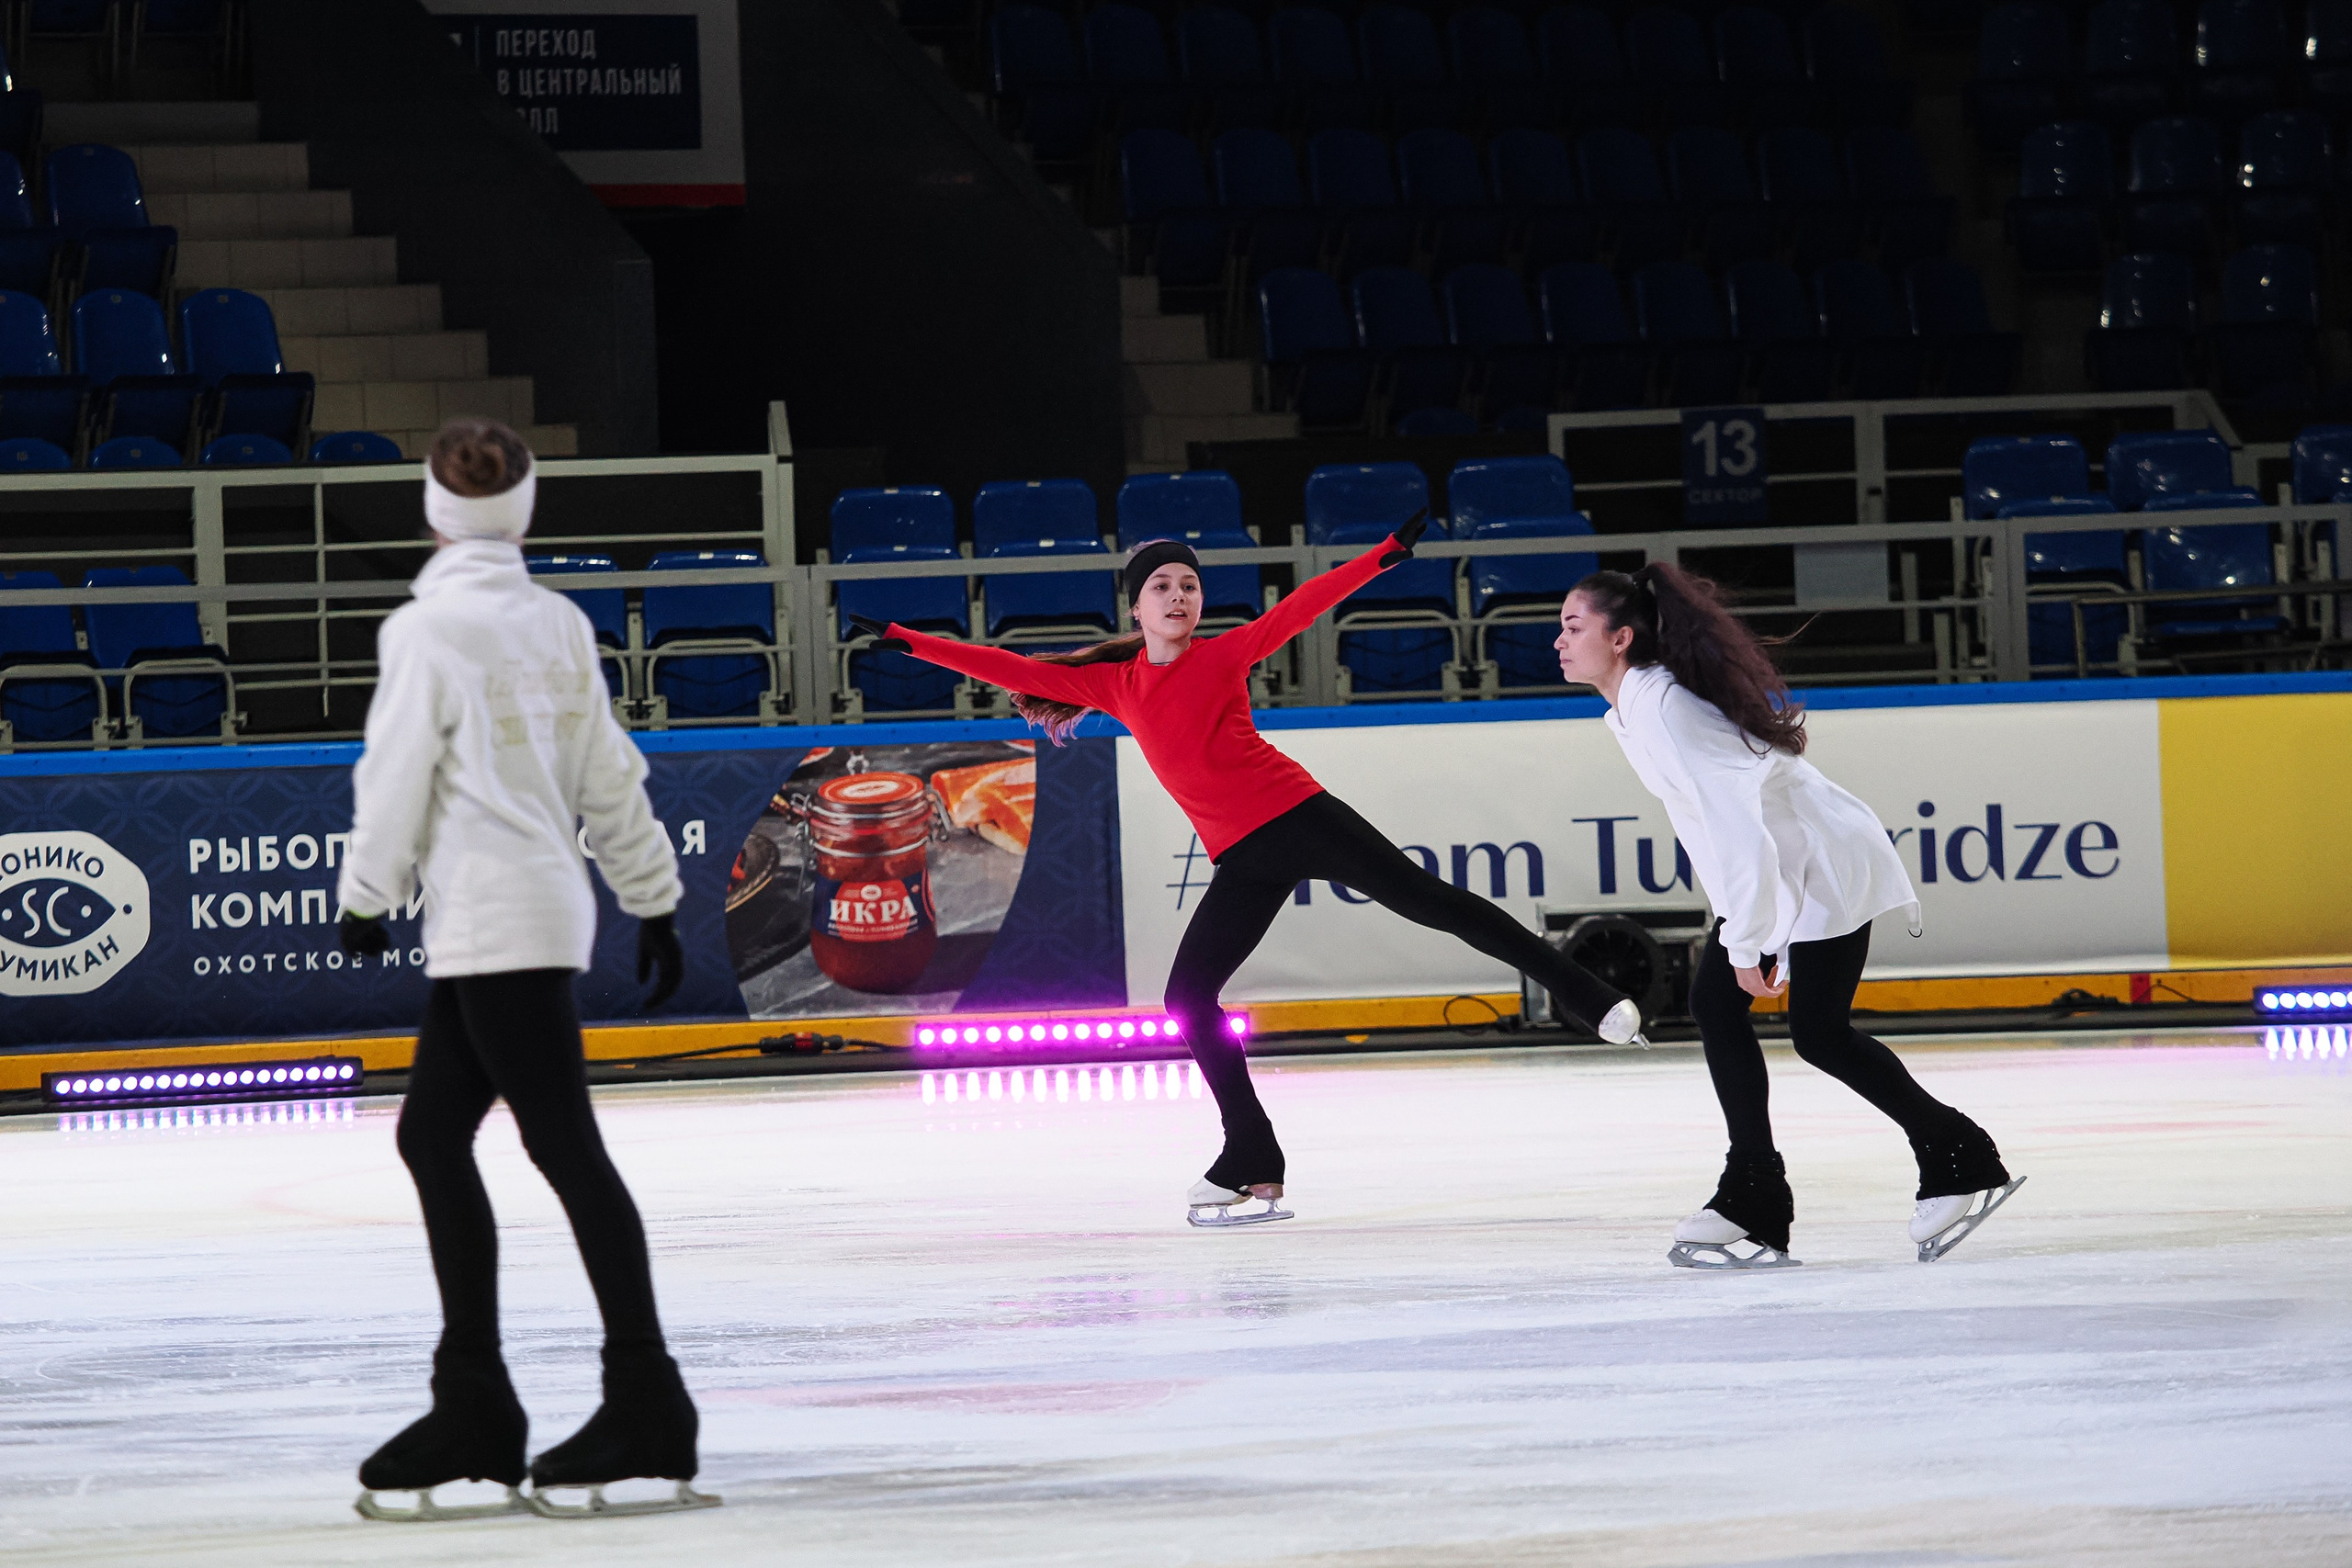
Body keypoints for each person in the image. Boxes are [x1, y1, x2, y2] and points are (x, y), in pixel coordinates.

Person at [853, 520, 1644, 1226]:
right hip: (1242, 856)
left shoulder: (1224, 652)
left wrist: (1383, 556)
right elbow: (1005, 664)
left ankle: (1585, 992)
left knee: (1431, 902)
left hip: (1301, 816)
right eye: (1161, 585)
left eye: (1189, 585)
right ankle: (1252, 1155)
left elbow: (1299, 609)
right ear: (1136, 607)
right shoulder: (1114, 685)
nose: (1178, 595)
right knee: (1186, 998)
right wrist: (907, 637)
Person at [339, 417, 716, 1520]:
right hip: (520, 916)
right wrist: (651, 898)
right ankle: (479, 1404)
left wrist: (366, 892)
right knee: (431, 1135)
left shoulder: (425, 630)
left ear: (433, 511)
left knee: (566, 1152)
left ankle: (638, 1401)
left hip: (495, 925)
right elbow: (611, 773)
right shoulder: (557, 624)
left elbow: (393, 771)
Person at [1555, 563, 2022, 1269]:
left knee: (1808, 1029)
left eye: (1572, 626)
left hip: (1825, 865)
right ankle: (1772, 1190)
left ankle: (1924, 1161)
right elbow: (1713, 831)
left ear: (1620, 638)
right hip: (1793, 870)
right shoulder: (1631, 707)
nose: (1558, 640)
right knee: (1746, 1012)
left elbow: (1738, 828)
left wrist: (1749, 938)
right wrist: (1750, 931)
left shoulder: (1662, 705)